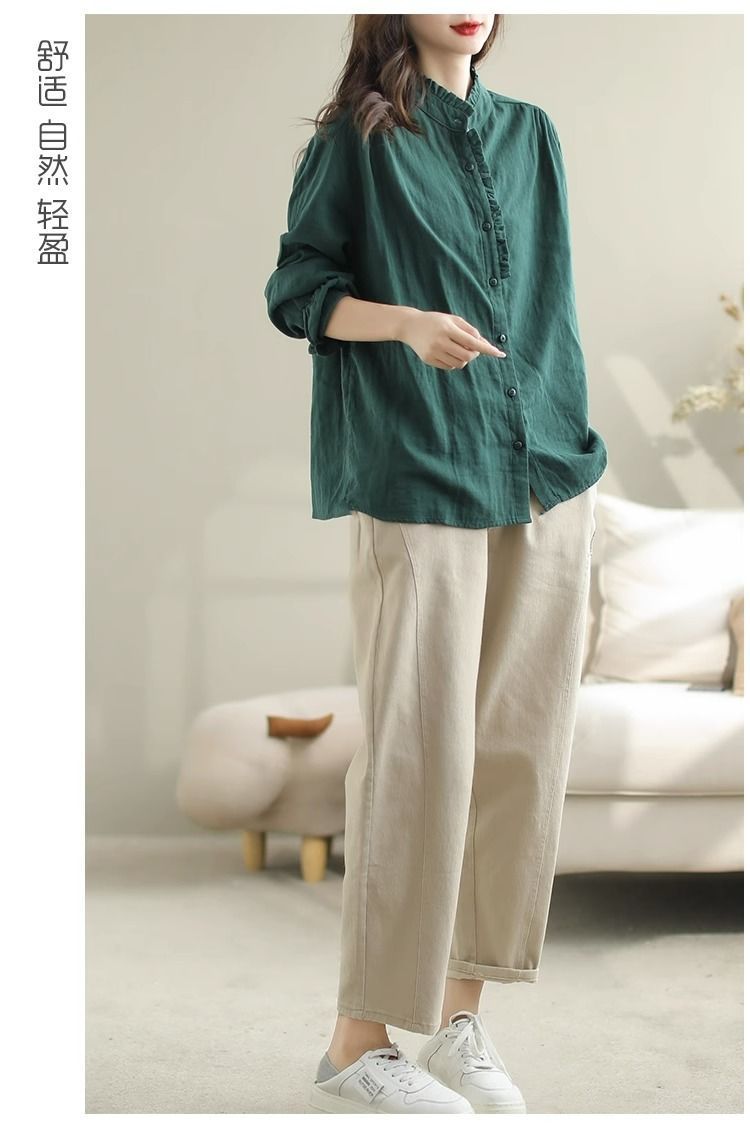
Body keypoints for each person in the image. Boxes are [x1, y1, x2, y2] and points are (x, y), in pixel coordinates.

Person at [264, 13, 607, 1115]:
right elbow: (296, 290)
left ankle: (462, 1019)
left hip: (542, 466)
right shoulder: (354, 139)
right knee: (417, 756)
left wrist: (565, 435)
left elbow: (549, 299)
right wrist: (407, 324)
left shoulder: (532, 132)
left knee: (518, 754)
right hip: (419, 466)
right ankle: (357, 1039)